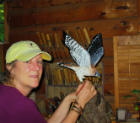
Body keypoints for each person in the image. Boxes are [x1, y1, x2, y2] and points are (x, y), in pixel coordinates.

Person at [0, 40, 97, 123]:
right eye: (27, 61)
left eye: (39, 61)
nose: (37, 68)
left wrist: (69, 99)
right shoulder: (20, 105)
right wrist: (79, 105)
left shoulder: (5, 92)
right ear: (10, 68)